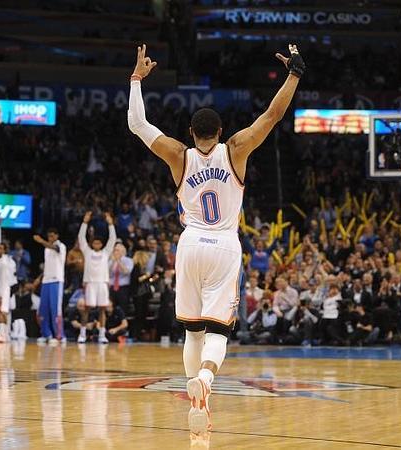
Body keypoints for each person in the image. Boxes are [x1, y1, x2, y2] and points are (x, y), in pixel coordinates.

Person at [127, 43, 304, 434]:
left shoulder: (179, 154)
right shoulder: (237, 149)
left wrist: (137, 80)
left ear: (191, 133)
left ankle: (198, 403)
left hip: (189, 244)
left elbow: (137, 125)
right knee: (218, 330)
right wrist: (293, 74)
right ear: (221, 132)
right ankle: (205, 381)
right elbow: (273, 115)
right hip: (224, 245)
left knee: (192, 329)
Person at [77, 211, 117, 344]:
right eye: (95, 243)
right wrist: (85, 222)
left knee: (102, 309)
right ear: (92, 244)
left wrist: (110, 224)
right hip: (90, 283)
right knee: (86, 309)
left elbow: (112, 239)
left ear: (101, 244)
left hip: (102, 283)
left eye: (99, 244)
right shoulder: (87, 252)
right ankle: (82, 334)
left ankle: (102, 335)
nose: (97, 245)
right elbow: (81, 238)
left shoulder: (106, 252)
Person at [33, 228, 67, 345]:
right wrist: (40, 278)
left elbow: (54, 248)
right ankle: (46, 334)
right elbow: (48, 266)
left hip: (56, 281)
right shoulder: (46, 250)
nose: (50, 238)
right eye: (49, 236)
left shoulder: (60, 246)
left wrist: (41, 241)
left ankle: (59, 335)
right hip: (46, 281)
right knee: (43, 309)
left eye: (52, 236)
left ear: (57, 236)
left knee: (55, 309)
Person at [0, 243, 16, 342]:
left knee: (2, 312)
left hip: (3, 290)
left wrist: (0, 295)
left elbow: (4, 280)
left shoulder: (4, 263)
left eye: (0, 248)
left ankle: (3, 335)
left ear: (4, 250)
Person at [109, 242, 134, 314]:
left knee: (123, 308)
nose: (115, 252)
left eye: (117, 250)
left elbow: (126, 272)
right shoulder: (111, 261)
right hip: (112, 287)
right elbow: (108, 273)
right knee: (111, 307)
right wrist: (113, 262)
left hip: (123, 288)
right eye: (115, 250)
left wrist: (118, 261)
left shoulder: (128, 260)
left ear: (123, 251)